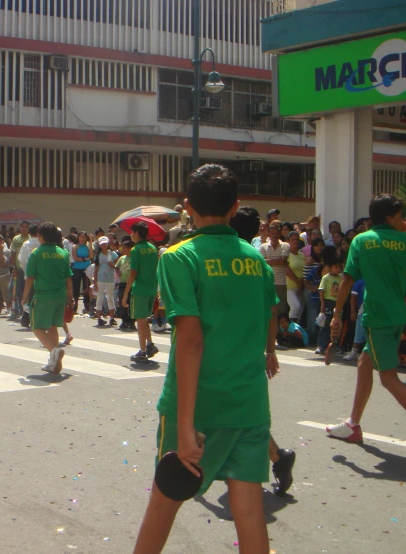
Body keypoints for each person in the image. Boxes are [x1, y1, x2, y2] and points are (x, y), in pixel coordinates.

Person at [133, 165, 277, 554]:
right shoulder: (255, 259)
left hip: (198, 409)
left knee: (163, 507)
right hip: (249, 404)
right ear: (236, 207)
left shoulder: (180, 257)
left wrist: (184, 425)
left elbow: (191, 340)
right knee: (249, 512)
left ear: (186, 207)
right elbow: (267, 319)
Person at [326, 195, 406, 463]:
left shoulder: (361, 240)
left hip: (377, 316)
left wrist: (336, 313)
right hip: (396, 314)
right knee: (364, 363)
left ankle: (354, 424)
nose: (404, 219)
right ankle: (353, 424)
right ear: (388, 217)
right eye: (400, 214)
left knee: (389, 378)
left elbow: (347, 279)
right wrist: (402, 240)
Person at [229, 205, 297, 497]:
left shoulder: (226, 257)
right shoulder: (259, 261)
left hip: (229, 346)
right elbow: (271, 312)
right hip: (251, 345)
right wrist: (270, 351)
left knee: (235, 410)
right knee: (243, 411)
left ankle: (278, 457)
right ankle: (278, 457)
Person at [22, 222, 74, 374]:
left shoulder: (37, 253)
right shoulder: (63, 253)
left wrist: (24, 297)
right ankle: (53, 361)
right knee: (52, 326)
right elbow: (68, 278)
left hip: (43, 295)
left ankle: (54, 351)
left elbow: (30, 278)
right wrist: (71, 298)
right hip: (60, 295)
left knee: (36, 327)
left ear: (41, 236)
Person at [122, 222, 159, 363]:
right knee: (144, 318)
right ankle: (149, 344)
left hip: (140, 289)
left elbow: (133, 274)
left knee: (140, 319)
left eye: (132, 232)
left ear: (137, 233)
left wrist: (125, 294)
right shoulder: (152, 248)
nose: (131, 235)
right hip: (152, 287)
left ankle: (142, 351)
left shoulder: (135, 250)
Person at [260, 221, 290, 315]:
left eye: (276, 233)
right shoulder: (263, 246)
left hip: (281, 282)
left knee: (281, 309)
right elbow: (262, 263)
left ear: (280, 234)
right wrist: (279, 261)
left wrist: (268, 261)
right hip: (268, 281)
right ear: (268, 234)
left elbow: (283, 261)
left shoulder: (285, 245)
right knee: (268, 309)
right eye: (272, 233)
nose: (274, 235)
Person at [316, 260, 342, 356]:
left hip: (337, 303)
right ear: (330, 267)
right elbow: (321, 290)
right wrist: (322, 303)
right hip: (328, 302)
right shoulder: (326, 278)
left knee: (336, 326)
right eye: (336, 267)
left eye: (340, 267)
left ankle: (336, 346)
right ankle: (321, 345)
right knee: (325, 325)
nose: (338, 269)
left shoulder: (341, 278)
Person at [18, 225, 41, 327]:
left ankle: (26, 318)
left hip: (28, 274)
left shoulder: (26, 244)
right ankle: (35, 319)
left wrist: (25, 270)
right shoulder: (41, 244)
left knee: (28, 297)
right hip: (41, 275)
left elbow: (21, 260)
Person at [93, 236, 118, 327]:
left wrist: (113, 266)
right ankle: (99, 318)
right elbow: (96, 268)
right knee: (100, 298)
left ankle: (112, 318)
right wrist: (95, 280)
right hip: (100, 279)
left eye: (105, 243)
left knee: (110, 298)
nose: (104, 245)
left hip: (110, 278)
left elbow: (118, 264)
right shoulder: (98, 255)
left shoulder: (112, 253)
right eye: (102, 244)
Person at [9, 221, 30, 318]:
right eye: (22, 227)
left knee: (28, 291)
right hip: (18, 268)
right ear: (20, 228)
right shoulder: (16, 239)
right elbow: (12, 254)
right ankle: (20, 311)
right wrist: (13, 267)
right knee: (17, 290)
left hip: (28, 269)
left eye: (26, 227)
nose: (24, 228)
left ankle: (27, 312)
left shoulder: (30, 239)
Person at [343, 279, 366, 362]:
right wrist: (353, 311)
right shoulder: (359, 283)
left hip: (376, 310)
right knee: (358, 332)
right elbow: (353, 298)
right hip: (362, 310)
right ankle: (354, 352)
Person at [70, 231, 93, 314]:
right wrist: (85, 259)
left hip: (87, 269)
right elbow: (75, 258)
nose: (82, 239)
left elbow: (91, 256)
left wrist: (90, 243)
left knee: (87, 288)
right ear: (78, 237)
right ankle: (74, 307)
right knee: (75, 289)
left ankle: (87, 308)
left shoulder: (87, 247)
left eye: (84, 237)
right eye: (81, 237)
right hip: (77, 268)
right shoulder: (75, 246)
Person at [285, 231, 305, 322]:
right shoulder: (286, 254)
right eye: (292, 240)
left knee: (300, 310)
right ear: (288, 241)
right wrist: (297, 281)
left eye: (296, 239)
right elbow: (286, 270)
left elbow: (304, 270)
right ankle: (289, 328)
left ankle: (296, 329)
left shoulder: (302, 255)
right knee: (295, 306)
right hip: (289, 287)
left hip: (300, 287)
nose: (295, 241)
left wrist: (301, 283)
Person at [115, 240, 134, 329]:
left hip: (132, 282)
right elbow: (117, 267)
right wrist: (118, 272)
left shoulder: (134, 258)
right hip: (123, 282)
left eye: (126, 248)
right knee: (122, 301)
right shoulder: (122, 258)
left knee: (131, 302)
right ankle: (124, 320)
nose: (124, 250)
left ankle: (132, 321)